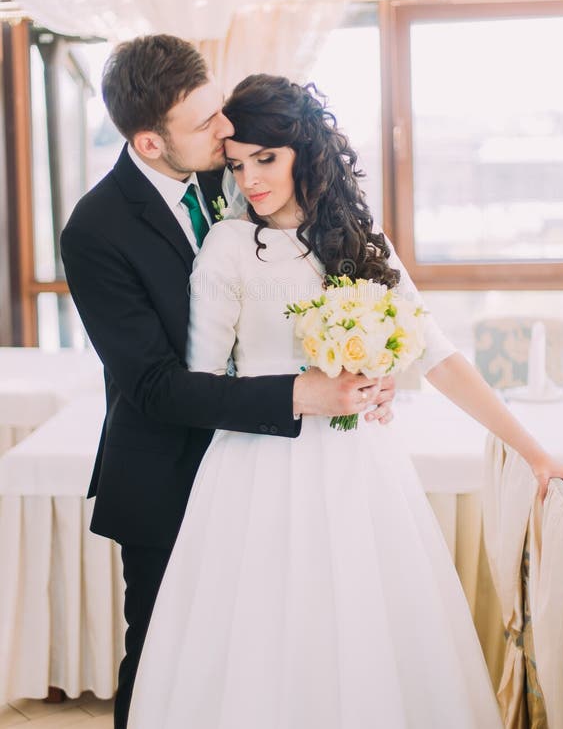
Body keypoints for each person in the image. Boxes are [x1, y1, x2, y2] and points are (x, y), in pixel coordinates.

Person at [128, 74, 563, 728]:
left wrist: (536, 453)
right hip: (253, 473)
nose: (251, 179)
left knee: (365, 634)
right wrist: (305, 394)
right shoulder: (228, 248)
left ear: (304, 152)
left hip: (357, 465)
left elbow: (440, 356)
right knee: (263, 644)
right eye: (237, 164)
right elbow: (198, 388)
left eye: (267, 158)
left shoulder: (359, 243)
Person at [60, 38, 394, 729]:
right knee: (161, 665)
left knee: (262, 661)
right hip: (166, 471)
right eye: (205, 123)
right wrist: (299, 394)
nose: (226, 133)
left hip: (265, 472)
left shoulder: (230, 170)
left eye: (220, 111)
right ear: (150, 143)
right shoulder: (95, 229)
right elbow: (152, 385)